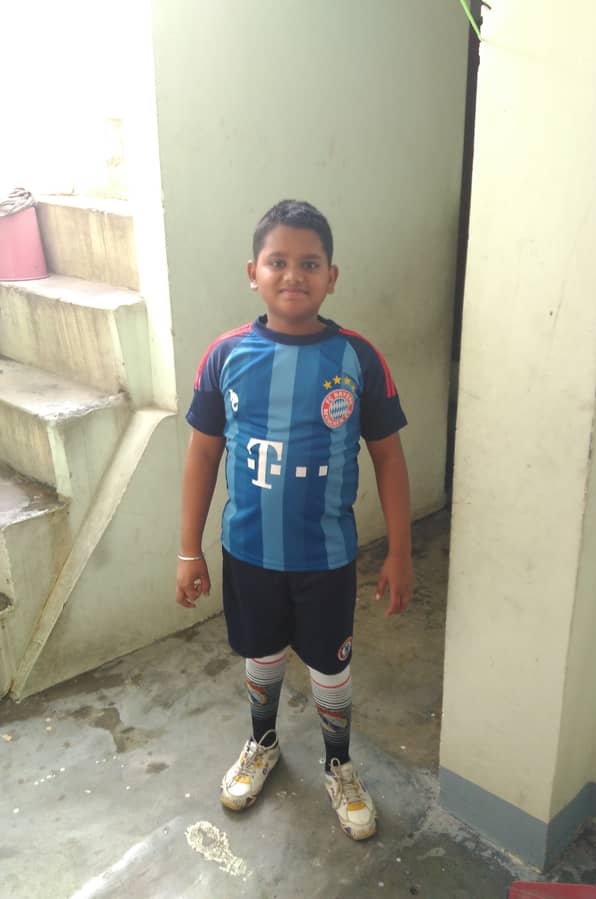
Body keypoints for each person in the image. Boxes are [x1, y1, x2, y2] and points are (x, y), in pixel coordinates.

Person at [175, 199, 413, 841]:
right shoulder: (225, 355)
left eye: (310, 263)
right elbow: (203, 454)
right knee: (261, 651)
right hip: (248, 552)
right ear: (253, 272)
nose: (293, 275)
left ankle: (339, 764)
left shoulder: (358, 358)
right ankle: (263, 743)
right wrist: (189, 550)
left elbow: (389, 458)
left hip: (326, 559)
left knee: (330, 665)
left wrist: (400, 552)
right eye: (277, 261)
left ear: (331, 276)